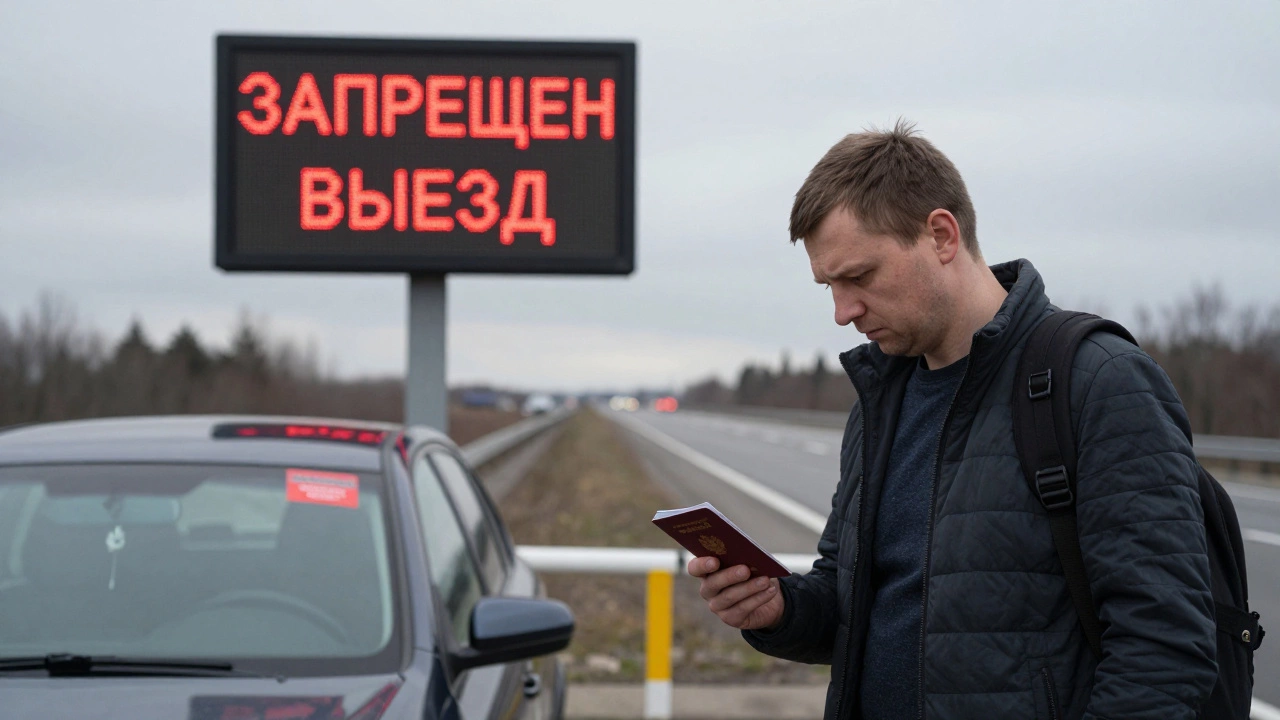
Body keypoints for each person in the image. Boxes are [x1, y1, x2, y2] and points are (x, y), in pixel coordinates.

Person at [688, 121, 1218, 719]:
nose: (842, 312)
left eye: (859, 276)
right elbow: (854, 605)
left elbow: (1164, 651)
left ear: (941, 235)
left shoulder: (1098, 381)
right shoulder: (880, 401)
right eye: (828, 285)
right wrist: (779, 611)